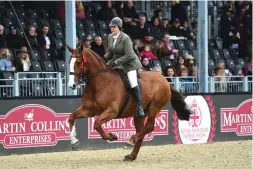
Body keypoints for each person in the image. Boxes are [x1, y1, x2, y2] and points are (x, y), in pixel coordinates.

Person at [104, 17, 144, 117]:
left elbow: (129, 55)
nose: (112, 29)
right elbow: (110, 52)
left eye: (114, 27)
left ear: (119, 27)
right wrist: (103, 59)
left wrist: (116, 62)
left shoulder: (125, 38)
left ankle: (139, 106)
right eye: (111, 27)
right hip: (117, 62)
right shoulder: (110, 37)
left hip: (130, 63)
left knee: (133, 83)